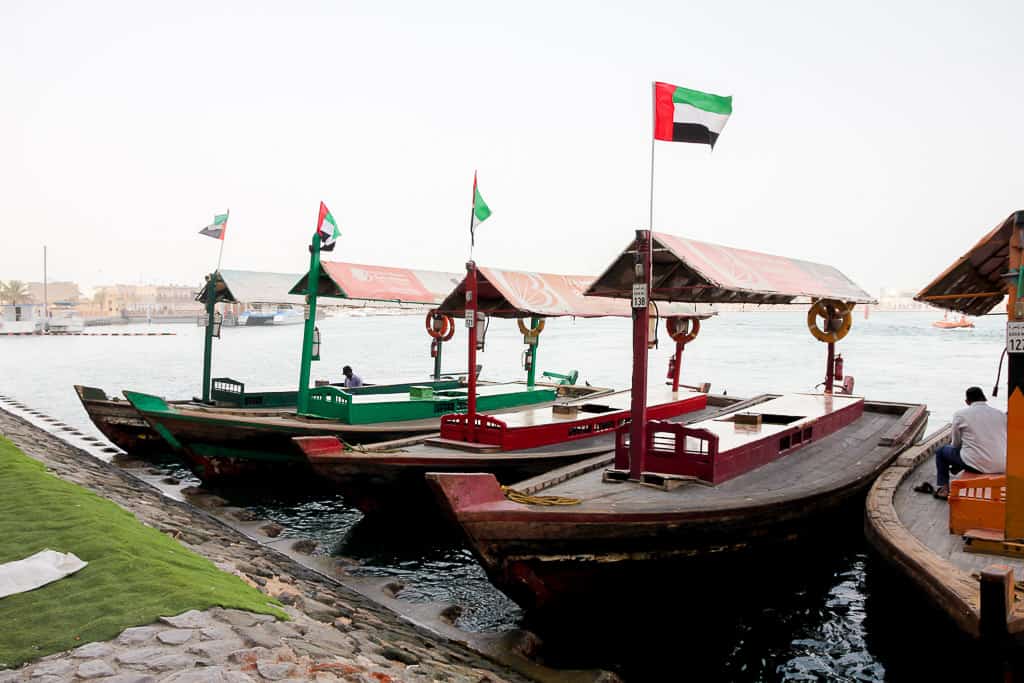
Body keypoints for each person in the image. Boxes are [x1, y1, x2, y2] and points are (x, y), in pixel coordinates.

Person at [932, 386, 1006, 500]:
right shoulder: (1000, 414)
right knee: (966, 452)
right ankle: (957, 468)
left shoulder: (960, 415)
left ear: (967, 402)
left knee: (941, 452)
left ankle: (944, 488)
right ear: (984, 399)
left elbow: (955, 444)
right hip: (1003, 464)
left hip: (978, 465)